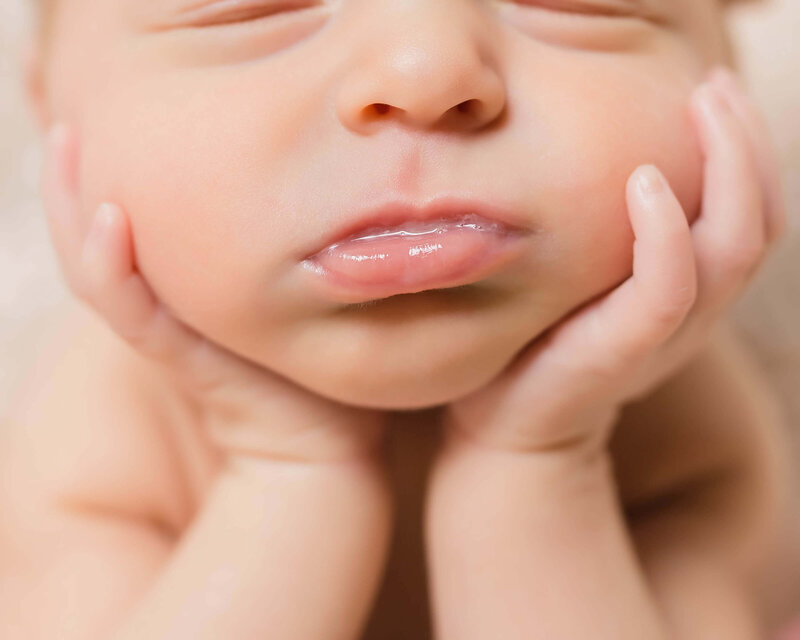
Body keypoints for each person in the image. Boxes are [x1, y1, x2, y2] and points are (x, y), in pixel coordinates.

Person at [2, 0, 798, 637]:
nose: (425, 71)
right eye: (250, 7)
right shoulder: (84, 456)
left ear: (729, 59)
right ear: (45, 99)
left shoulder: (692, 448)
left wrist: (536, 466)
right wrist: (286, 472)